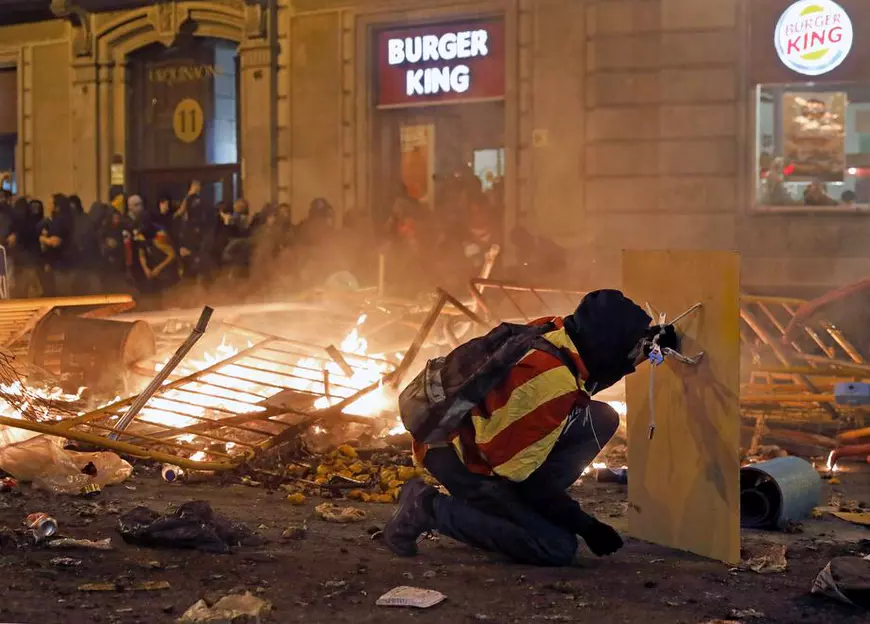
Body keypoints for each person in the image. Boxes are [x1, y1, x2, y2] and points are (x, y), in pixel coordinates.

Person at [384, 290, 670, 566]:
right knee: (555, 546)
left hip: (472, 434)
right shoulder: (550, 384)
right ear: (608, 346)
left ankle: (519, 513)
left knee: (602, 418)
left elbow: (595, 372)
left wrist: (649, 345)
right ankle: (426, 507)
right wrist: (586, 525)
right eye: (628, 348)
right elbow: (525, 481)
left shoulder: (557, 333)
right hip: (461, 457)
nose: (632, 355)